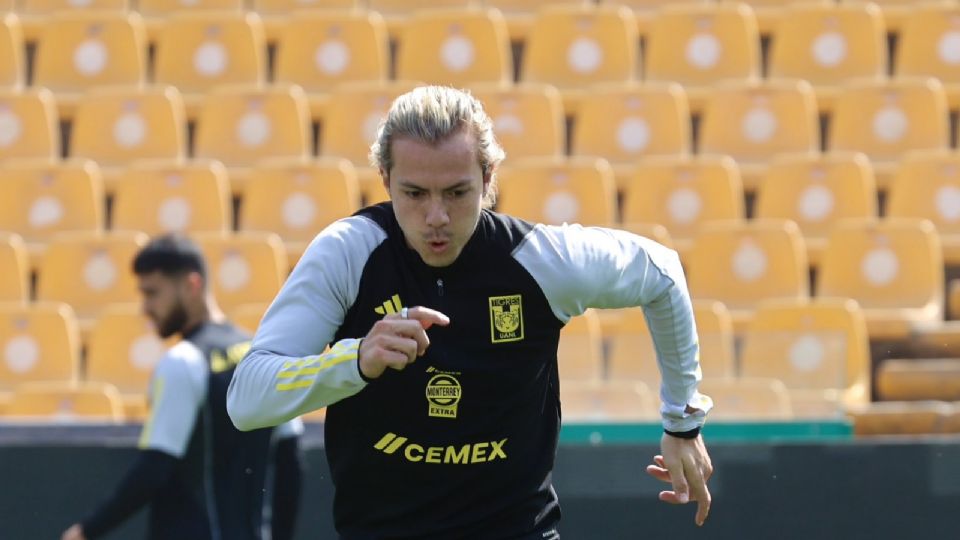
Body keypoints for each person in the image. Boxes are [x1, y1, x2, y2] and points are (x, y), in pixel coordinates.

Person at [227, 86, 714, 539]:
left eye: (457, 193)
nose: (435, 216)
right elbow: (247, 401)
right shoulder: (347, 253)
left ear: (487, 178)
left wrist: (682, 421)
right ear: (385, 180)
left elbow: (663, 272)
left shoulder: (542, 261)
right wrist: (355, 361)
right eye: (414, 193)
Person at [62, 234, 303, 540]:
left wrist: (86, 530)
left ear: (191, 285)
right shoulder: (264, 356)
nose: (145, 308)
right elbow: (290, 462)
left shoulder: (183, 361)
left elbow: (154, 468)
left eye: (152, 293)